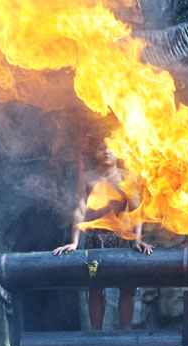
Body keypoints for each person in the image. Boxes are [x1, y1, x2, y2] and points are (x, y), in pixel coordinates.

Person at [52, 140, 152, 330]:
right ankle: (95, 334)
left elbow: (136, 211)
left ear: (119, 152)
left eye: (111, 148)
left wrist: (138, 240)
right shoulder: (87, 178)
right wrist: (74, 242)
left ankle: (125, 333)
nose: (106, 151)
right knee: (95, 287)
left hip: (121, 241)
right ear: (95, 153)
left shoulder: (126, 178)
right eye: (101, 148)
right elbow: (80, 209)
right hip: (95, 242)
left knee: (127, 287)